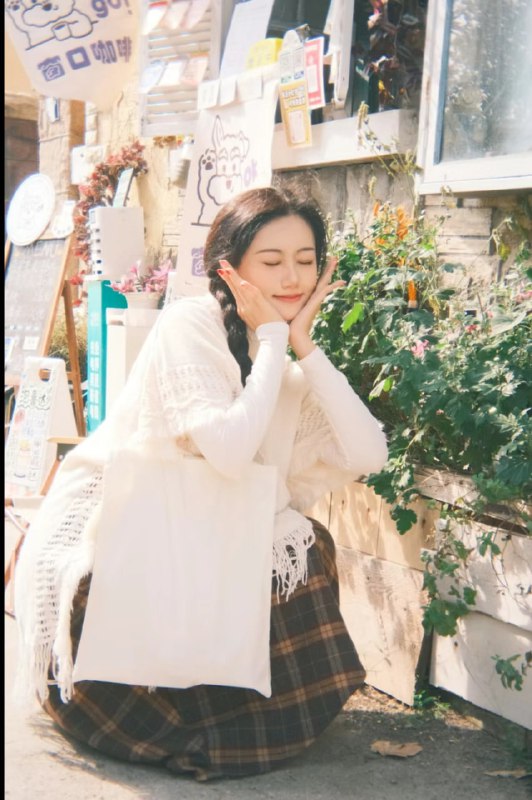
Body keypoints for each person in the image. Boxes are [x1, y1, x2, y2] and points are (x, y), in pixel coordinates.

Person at [13, 185, 388, 781]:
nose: (293, 277)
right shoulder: (190, 323)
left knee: (306, 545)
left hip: (213, 521)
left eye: (306, 259)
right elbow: (231, 452)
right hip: (127, 521)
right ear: (228, 269)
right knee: (280, 543)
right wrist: (274, 340)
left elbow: (370, 452)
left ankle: (247, 712)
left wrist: (302, 344)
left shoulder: (281, 355)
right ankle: (173, 716)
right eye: (271, 261)